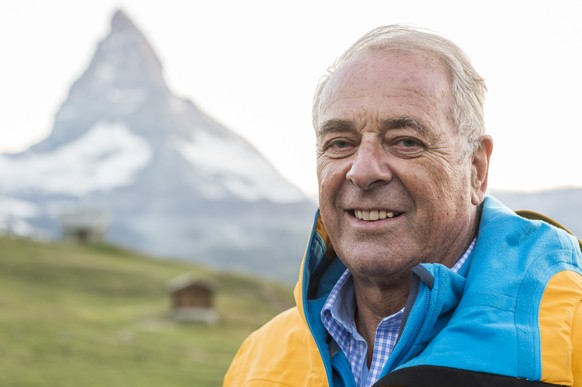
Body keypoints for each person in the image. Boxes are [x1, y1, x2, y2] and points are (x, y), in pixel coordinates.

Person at [223, 24, 582, 387]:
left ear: (476, 168)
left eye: (406, 141)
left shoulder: (574, 333)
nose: (362, 172)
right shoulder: (258, 360)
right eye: (340, 142)